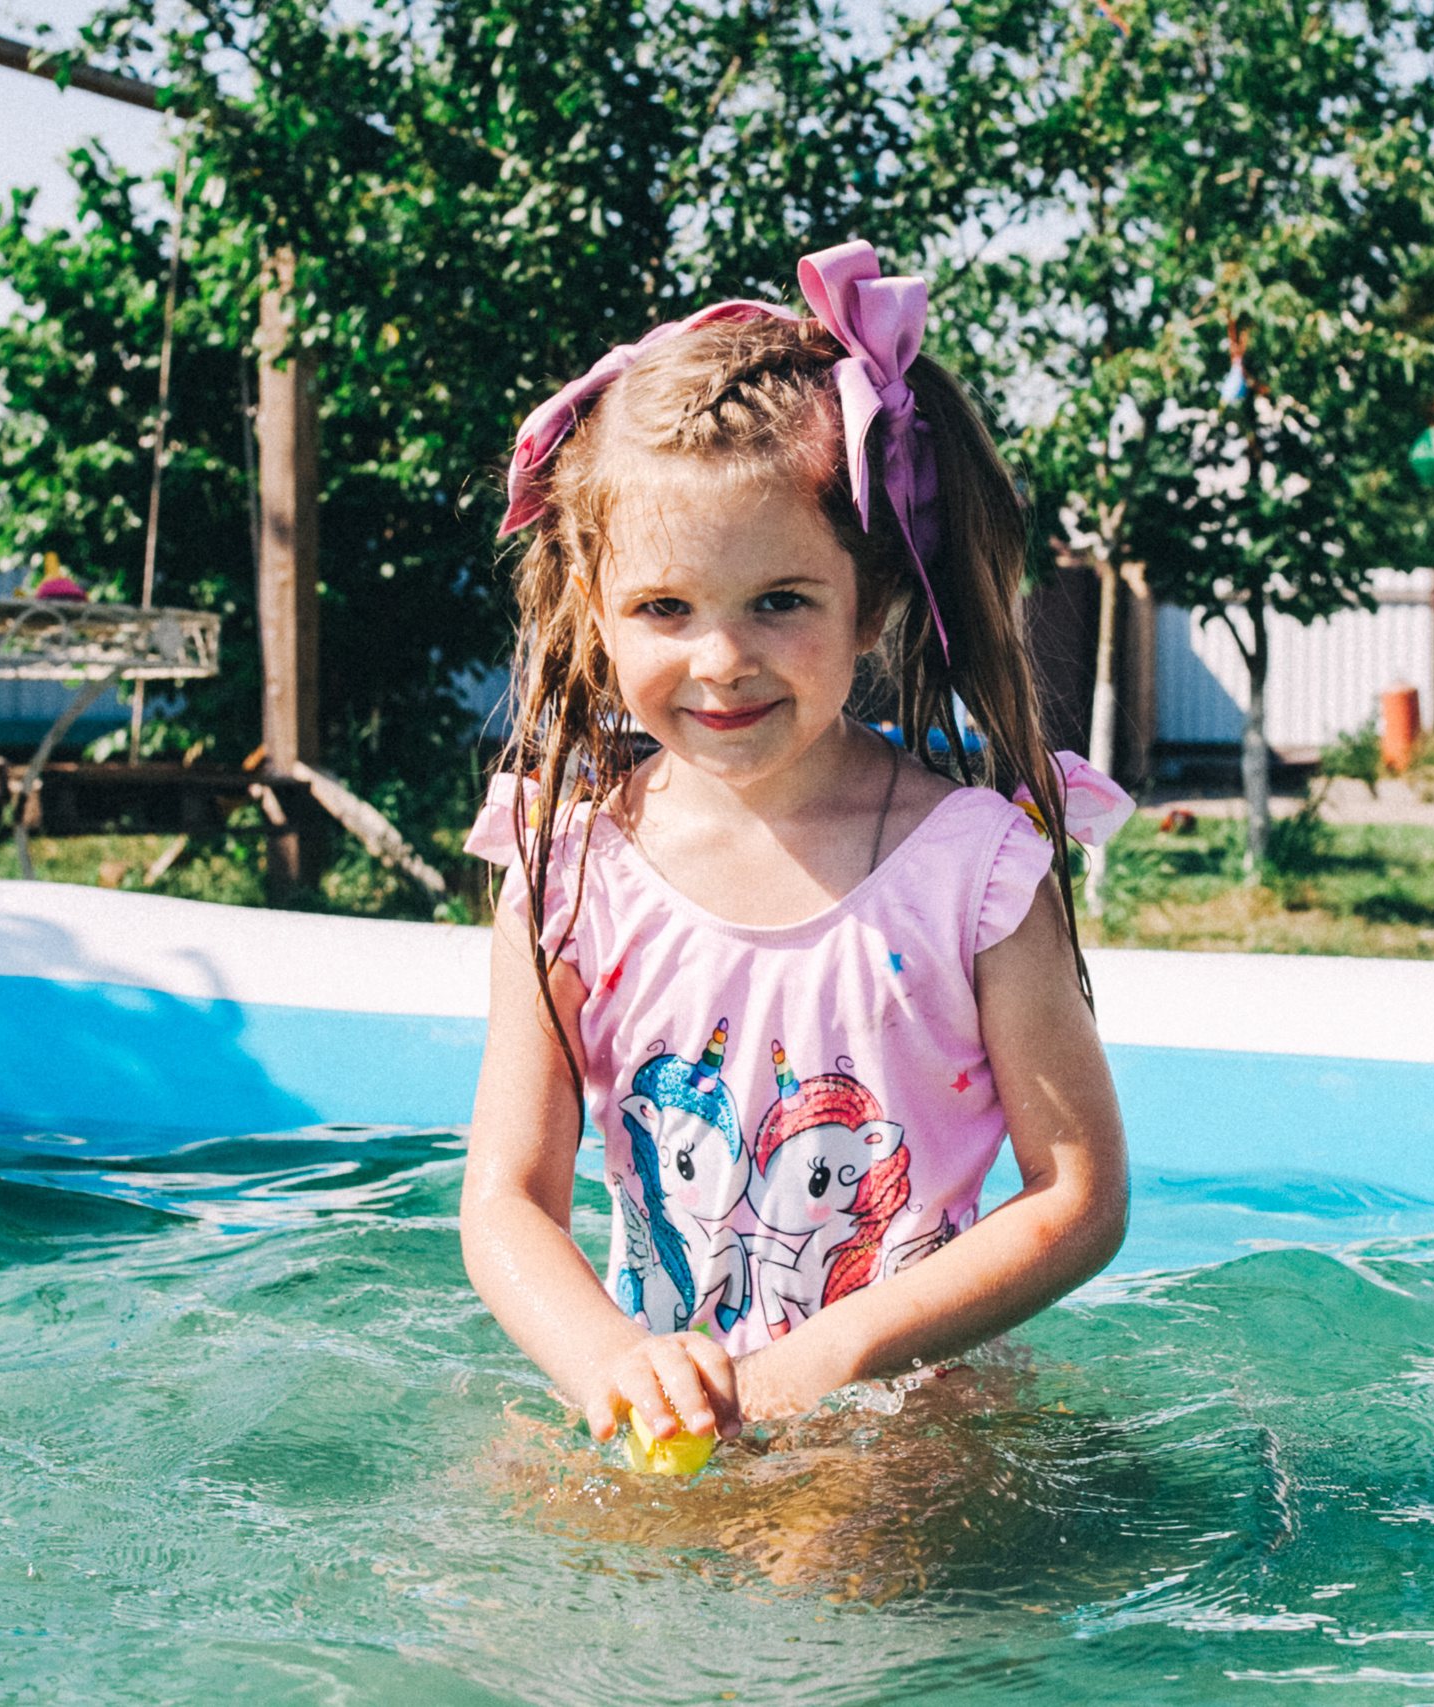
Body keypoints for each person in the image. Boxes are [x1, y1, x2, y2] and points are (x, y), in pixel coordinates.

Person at [460, 241, 1133, 1461]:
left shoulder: (968, 869)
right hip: (659, 1411)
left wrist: (818, 1367)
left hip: (907, 1415)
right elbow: (505, 1201)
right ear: (592, 610)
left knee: (828, 1591)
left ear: (869, 601)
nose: (721, 660)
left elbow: (1077, 1196)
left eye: (779, 601)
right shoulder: (567, 878)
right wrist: (614, 1363)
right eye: (665, 609)